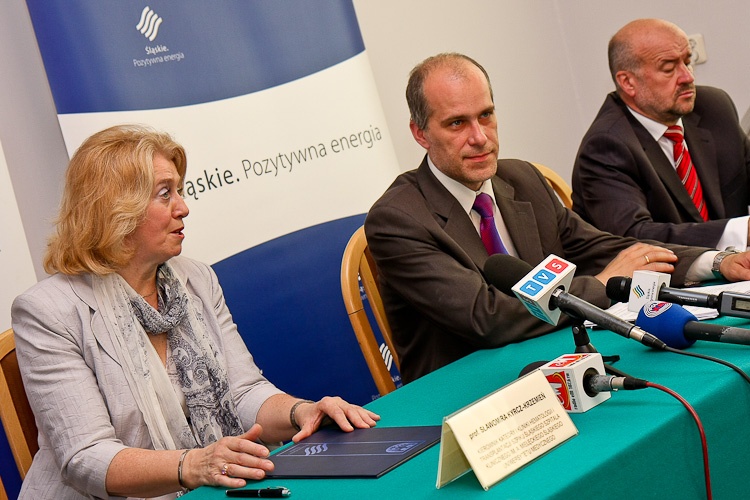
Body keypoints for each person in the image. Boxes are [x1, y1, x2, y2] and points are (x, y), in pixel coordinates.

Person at [11, 125, 379, 499]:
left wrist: (302, 412)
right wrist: (193, 465)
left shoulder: (195, 279)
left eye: (179, 191)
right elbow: (86, 457)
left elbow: (242, 392)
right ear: (115, 209)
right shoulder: (47, 312)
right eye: (164, 194)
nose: (183, 207)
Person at [364, 52, 750, 384]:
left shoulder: (521, 178)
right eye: (457, 123)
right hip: (466, 392)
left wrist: (715, 262)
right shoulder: (398, 219)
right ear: (420, 133)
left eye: (486, 115)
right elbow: (487, 318)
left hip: (553, 360)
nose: (480, 137)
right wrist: (599, 285)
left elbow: (602, 248)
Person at [572, 18, 750, 249]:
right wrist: (741, 231)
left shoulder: (713, 107)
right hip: (672, 270)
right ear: (628, 82)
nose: (688, 77)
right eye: (668, 68)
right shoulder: (605, 146)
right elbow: (634, 237)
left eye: (688, 62)